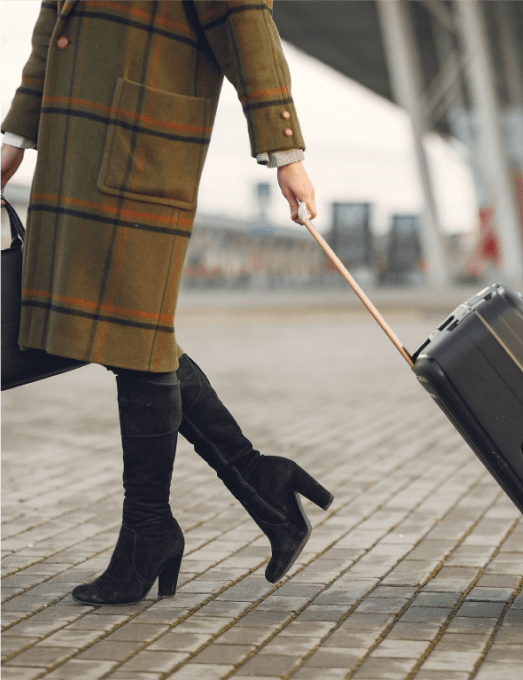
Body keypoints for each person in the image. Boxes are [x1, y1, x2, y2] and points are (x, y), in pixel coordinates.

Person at [0, 0, 333, 606]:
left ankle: (152, 532)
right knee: (136, 338)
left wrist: (287, 153)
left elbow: (246, 22)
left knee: (138, 339)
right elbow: (55, 20)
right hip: (74, 146)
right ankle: (258, 483)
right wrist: (16, 136)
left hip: (140, 144)